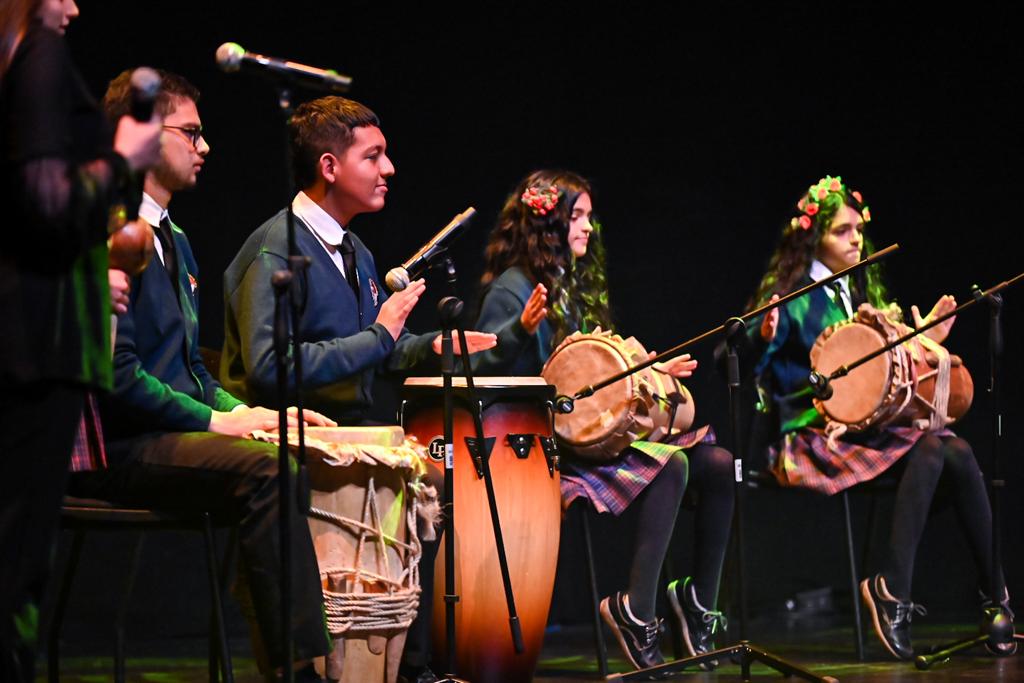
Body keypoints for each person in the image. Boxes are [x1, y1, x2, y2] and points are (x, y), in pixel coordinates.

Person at [67, 68, 336, 683]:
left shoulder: (177, 240)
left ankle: (310, 660)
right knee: (271, 471)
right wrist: (217, 421)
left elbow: (191, 368)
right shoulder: (107, 230)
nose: (205, 146)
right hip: (120, 444)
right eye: (190, 132)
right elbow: (117, 376)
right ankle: (300, 671)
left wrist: (248, 414)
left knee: (288, 447)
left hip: (170, 435)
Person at [221, 95, 495, 683]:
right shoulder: (276, 249)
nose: (388, 168)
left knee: (438, 481)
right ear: (329, 166)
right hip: (292, 438)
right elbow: (269, 368)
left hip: (350, 435)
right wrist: (380, 335)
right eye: (373, 156)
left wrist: (428, 346)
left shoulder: (354, 250)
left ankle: (412, 667)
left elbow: (376, 346)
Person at [473, 170, 735, 671]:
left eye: (589, 217)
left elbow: (593, 375)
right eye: (577, 217)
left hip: (586, 439)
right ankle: (636, 610)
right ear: (547, 222)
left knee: (719, 464)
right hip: (545, 449)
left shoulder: (568, 285)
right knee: (672, 464)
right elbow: (485, 377)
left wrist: (647, 374)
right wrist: (520, 332)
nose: (588, 228)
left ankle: (696, 603)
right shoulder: (513, 290)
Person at [749, 174, 1014, 660]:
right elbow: (752, 365)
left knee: (956, 449)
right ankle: (894, 588)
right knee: (932, 448)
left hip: (862, 431)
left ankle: (994, 596)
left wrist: (922, 340)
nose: (855, 239)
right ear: (813, 238)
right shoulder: (794, 297)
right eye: (842, 231)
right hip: (811, 435)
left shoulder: (855, 293)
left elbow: (875, 378)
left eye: (858, 229)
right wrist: (761, 336)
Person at [0, 1, 162, 680]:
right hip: (37, 347)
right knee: (15, 574)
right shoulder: (38, 54)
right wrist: (124, 159)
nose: (72, 6)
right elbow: (47, 203)